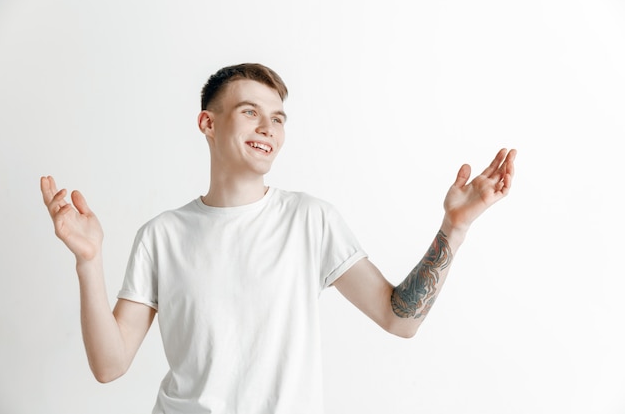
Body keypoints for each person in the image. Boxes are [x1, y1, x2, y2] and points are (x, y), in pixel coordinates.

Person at [41, 63, 516, 414]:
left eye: (278, 117)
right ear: (208, 123)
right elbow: (109, 365)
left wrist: (454, 227)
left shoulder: (310, 220)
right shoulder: (162, 236)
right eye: (250, 112)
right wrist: (89, 261)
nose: (268, 127)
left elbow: (399, 321)